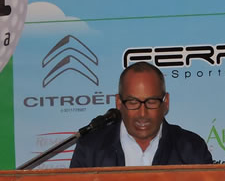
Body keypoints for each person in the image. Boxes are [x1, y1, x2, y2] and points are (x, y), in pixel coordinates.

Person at [69, 61, 213, 167]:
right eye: (133, 102)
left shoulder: (191, 148)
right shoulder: (90, 149)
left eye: (151, 102)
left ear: (166, 102)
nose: (142, 113)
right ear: (119, 103)